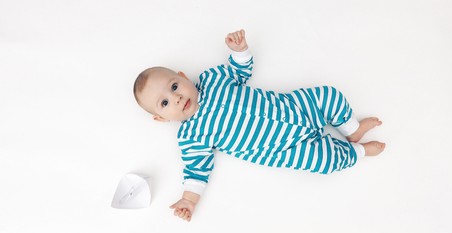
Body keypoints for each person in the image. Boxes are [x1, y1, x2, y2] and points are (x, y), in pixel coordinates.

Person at [133, 29, 385, 222]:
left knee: (328, 95)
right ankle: (357, 152)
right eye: (165, 103)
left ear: (184, 77)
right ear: (162, 119)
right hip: (285, 149)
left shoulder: (212, 80)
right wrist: (188, 201)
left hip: (294, 106)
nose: (176, 97)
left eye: (174, 86)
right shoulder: (191, 136)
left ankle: (353, 130)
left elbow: (239, 71)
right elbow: (197, 170)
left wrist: (240, 51)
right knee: (325, 161)